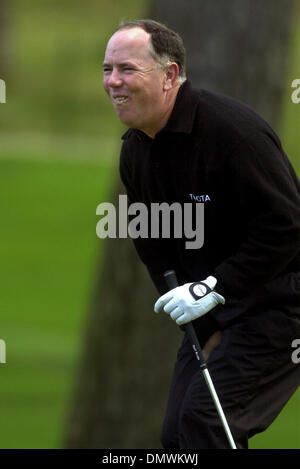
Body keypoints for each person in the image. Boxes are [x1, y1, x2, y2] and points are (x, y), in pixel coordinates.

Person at [102, 19, 300, 449]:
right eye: (107, 69)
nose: (113, 81)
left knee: (206, 422)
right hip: (215, 309)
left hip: (283, 305)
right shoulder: (135, 150)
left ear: (169, 75)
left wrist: (215, 287)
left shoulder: (231, 132)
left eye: (127, 69)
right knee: (178, 437)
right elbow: (154, 247)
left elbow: (287, 226)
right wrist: (206, 321)